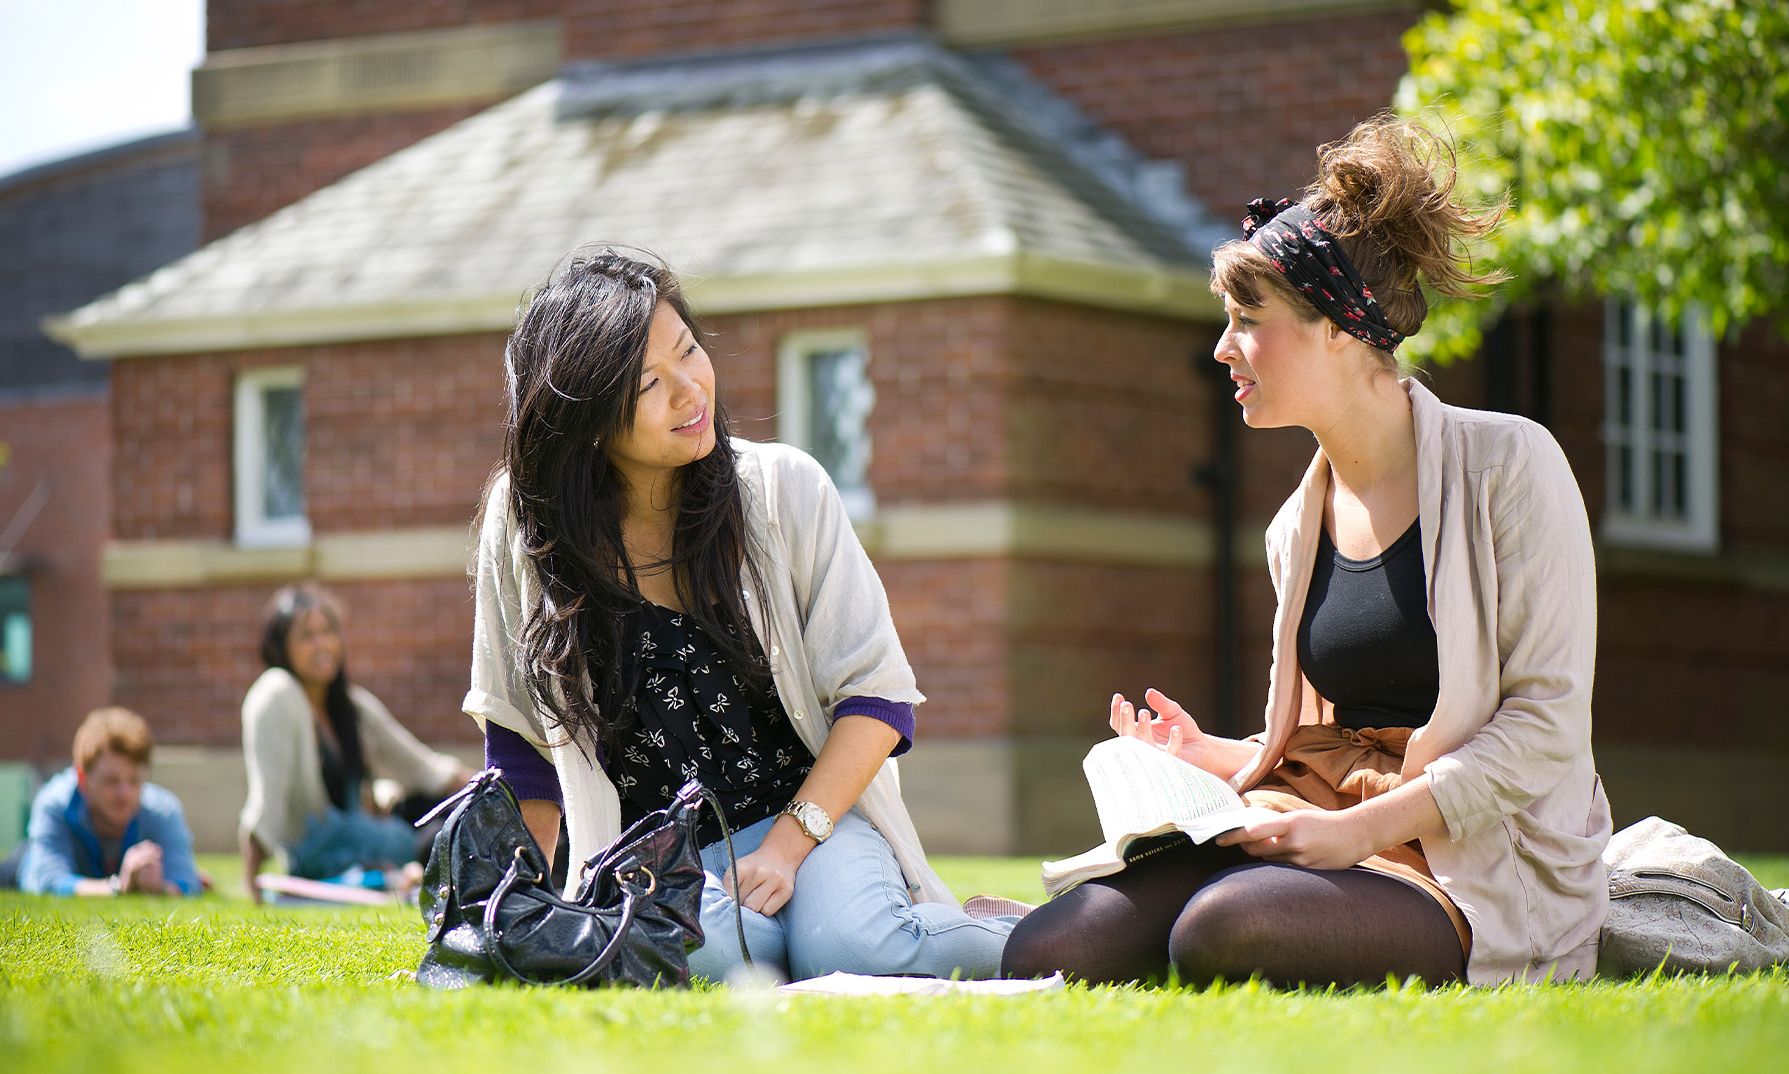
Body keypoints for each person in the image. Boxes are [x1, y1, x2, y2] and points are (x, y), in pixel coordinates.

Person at [1002, 115, 1612, 988]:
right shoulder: (1296, 521)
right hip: (1320, 814)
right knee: (1053, 949)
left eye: (1248, 320)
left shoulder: (1508, 465)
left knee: (1223, 930)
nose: (1222, 348)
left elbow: (1546, 726)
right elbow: (1333, 738)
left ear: (1338, 327)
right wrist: (1208, 755)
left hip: (1466, 856)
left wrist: (1357, 833)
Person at [467, 248, 1016, 983]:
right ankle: (787, 938)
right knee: (710, 960)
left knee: (856, 948)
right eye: (647, 385)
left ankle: (1027, 934)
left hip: (810, 822)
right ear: (589, 421)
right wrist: (518, 907)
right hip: (655, 858)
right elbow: (518, 742)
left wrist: (788, 846)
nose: (690, 390)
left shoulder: (786, 488)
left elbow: (878, 700)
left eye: (689, 350)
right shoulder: (524, 522)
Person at [239, 583, 473, 903]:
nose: (322, 644)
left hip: (380, 834)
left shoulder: (350, 705)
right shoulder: (275, 694)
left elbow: (420, 765)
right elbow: (267, 801)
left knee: (456, 811)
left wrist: (491, 787)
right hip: (331, 857)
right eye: (307, 636)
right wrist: (251, 880)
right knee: (447, 834)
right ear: (281, 648)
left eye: (328, 631)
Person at [0, 707, 202, 896]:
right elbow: (50, 882)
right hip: (19, 869)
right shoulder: (55, 804)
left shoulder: (163, 811)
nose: (124, 793)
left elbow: (186, 883)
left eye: (134, 781)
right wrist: (120, 887)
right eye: (111, 781)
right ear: (82, 779)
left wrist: (159, 887)